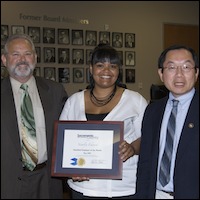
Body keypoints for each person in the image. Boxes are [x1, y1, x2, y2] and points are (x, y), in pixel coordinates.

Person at [59, 44, 148, 199]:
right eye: (100, 65)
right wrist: (70, 169)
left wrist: (132, 148)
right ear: (91, 69)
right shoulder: (74, 101)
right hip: (83, 188)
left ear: (118, 70)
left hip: (124, 187)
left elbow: (149, 138)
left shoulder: (135, 100)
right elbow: (63, 143)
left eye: (112, 66)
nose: (106, 71)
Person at [1, 34, 68, 199]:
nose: (22, 59)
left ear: (35, 58)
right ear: (4, 59)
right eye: (15, 54)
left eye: (27, 54)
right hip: (7, 182)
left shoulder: (55, 91)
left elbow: (68, 132)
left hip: (47, 180)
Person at [134, 44, 199, 199]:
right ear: (161, 74)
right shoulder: (152, 110)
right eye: (171, 67)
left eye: (186, 67)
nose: (179, 74)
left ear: (196, 73)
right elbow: (145, 162)